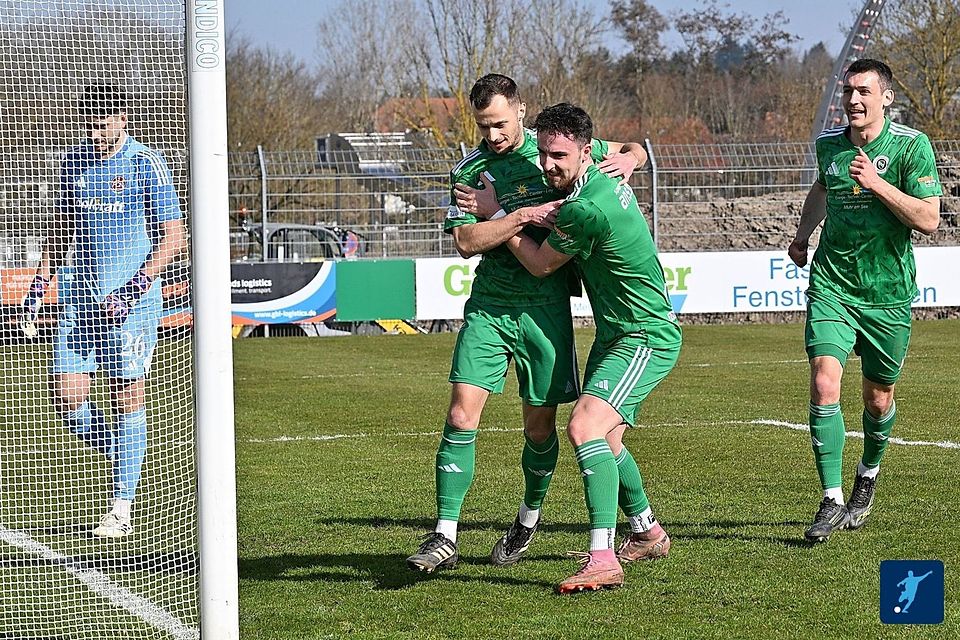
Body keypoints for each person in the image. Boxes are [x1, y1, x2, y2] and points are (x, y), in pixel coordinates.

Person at [406, 74, 650, 573]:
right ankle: (444, 535)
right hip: (492, 307)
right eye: (482, 126)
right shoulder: (471, 171)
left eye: (498, 123)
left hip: (547, 310)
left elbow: (630, 150)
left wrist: (629, 159)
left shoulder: (552, 148)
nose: (492, 135)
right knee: (460, 414)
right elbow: (468, 241)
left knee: (539, 430)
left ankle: (528, 517)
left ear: (520, 111)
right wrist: (520, 216)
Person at [504, 103, 681, 593]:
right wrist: (634, 155)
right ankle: (647, 532)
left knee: (584, 427)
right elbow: (630, 150)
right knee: (608, 440)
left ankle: (603, 558)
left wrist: (500, 215)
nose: (546, 165)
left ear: (583, 152)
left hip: (643, 335)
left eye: (557, 155)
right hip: (616, 333)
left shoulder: (586, 207)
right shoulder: (598, 160)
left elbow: (540, 264)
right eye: (541, 153)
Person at [21, 83, 186, 538]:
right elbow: (60, 230)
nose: (95, 133)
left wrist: (137, 285)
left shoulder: (144, 163)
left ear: (123, 119)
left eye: (103, 123)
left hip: (131, 303)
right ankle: (127, 454)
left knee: (125, 397)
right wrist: (40, 286)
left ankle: (122, 504)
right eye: (89, 124)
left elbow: (174, 236)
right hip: (80, 298)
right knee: (67, 397)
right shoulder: (73, 162)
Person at [788, 58, 941, 542]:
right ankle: (831, 498)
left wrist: (876, 184)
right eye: (849, 91)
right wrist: (802, 234)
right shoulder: (828, 148)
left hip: (888, 293)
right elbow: (822, 189)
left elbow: (929, 218)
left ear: (886, 98)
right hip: (833, 284)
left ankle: (866, 477)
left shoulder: (911, 147)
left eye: (863, 92)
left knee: (878, 400)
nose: (853, 100)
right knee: (824, 381)